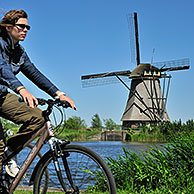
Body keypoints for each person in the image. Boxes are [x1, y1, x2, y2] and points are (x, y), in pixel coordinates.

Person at [0, 9, 76, 175]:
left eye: (28, 27)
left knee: (38, 118)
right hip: (6, 91)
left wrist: (59, 94)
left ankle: (10, 151)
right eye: (21, 26)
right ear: (8, 27)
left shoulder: (19, 52)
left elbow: (34, 73)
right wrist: (21, 89)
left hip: (2, 96)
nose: (25, 30)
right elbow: (2, 69)